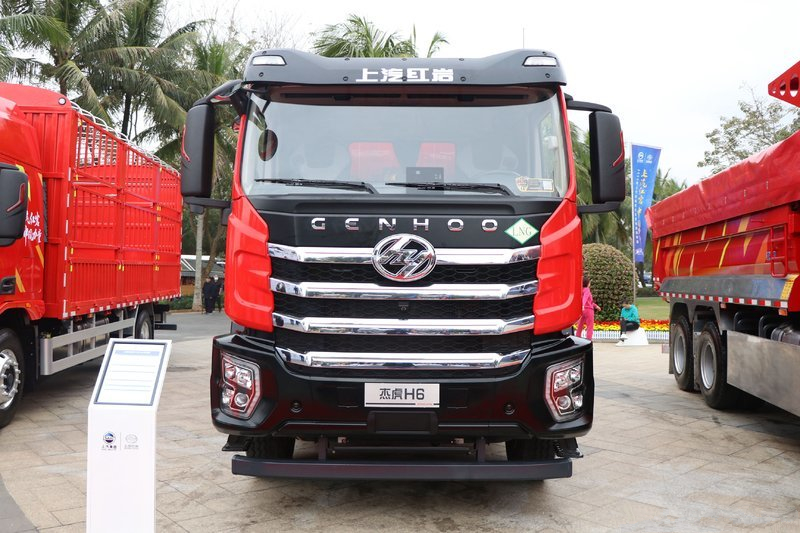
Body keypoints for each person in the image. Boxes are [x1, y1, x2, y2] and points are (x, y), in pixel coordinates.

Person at [575, 276, 601, 340]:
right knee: (590, 326)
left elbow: (589, 301)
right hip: (589, 310)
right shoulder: (587, 290)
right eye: (589, 282)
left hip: (582, 310)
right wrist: (583, 305)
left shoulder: (580, 290)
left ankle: (577, 339)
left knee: (580, 326)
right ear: (587, 283)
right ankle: (589, 340)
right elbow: (585, 298)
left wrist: (596, 306)